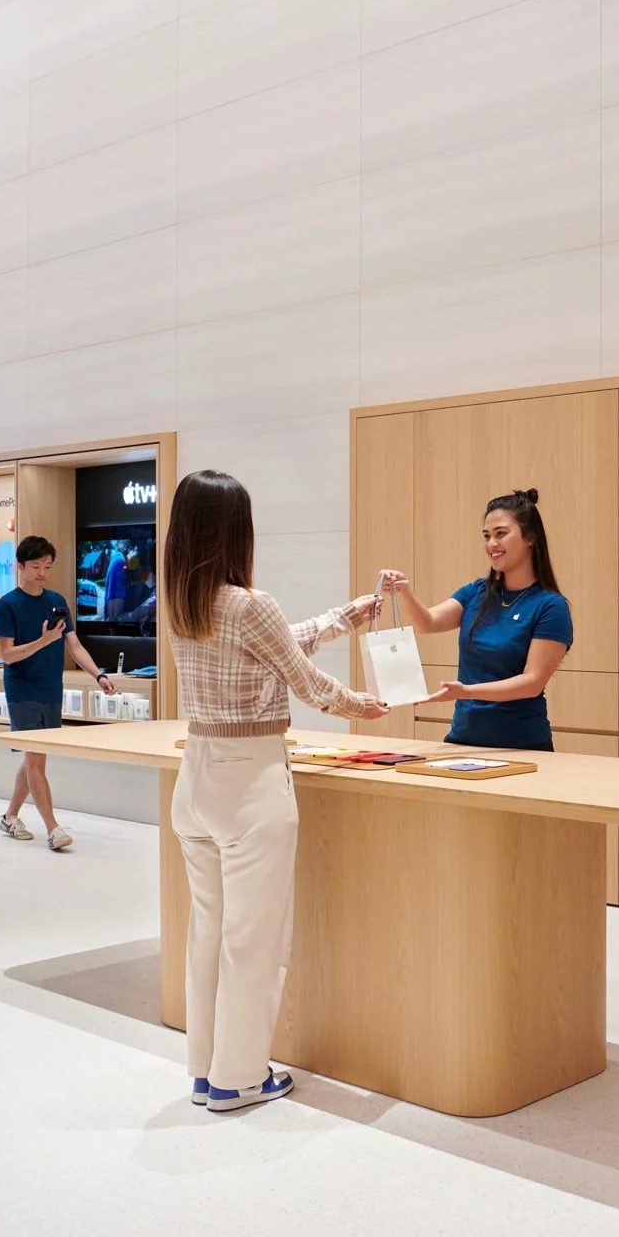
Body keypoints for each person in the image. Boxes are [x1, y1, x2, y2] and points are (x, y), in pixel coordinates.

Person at [166, 470, 388, 1112]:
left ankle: (207, 1070)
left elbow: (277, 644)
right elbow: (307, 680)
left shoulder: (182, 602)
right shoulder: (248, 603)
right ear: (236, 530)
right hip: (250, 781)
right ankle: (239, 1079)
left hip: (196, 778)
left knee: (209, 933)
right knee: (254, 938)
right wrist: (365, 705)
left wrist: (345, 617)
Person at [377, 488, 571, 752]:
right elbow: (427, 623)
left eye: (501, 534)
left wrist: (466, 691)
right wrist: (404, 592)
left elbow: (532, 683)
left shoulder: (550, 606)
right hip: (463, 740)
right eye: (487, 536)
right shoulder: (476, 592)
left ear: (530, 538)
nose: (492, 544)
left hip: (523, 745)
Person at [0, 536, 120, 851]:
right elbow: (7, 655)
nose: (42, 573)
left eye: (47, 567)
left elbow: (74, 645)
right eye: (36, 566)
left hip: (51, 687)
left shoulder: (57, 601)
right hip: (22, 689)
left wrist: (99, 675)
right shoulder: (7, 604)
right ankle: (53, 828)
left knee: (35, 758)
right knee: (36, 759)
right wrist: (45, 640)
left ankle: (10, 817)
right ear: (20, 566)